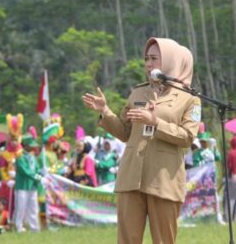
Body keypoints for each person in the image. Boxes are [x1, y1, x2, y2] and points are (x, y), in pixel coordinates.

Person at [83, 37, 200, 244]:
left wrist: (155, 122)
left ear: (171, 61)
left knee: (164, 240)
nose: (148, 64)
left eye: (155, 58)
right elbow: (125, 132)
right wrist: (105, 111)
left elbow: (187, 137)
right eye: (147, 58)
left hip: (163, 180)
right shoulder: (138, 92)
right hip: (131, 177)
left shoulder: (189, 99)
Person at [14, 134, 45, 233]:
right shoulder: (20, 156)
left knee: (34, 207)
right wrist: (36, 176)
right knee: (21, 207)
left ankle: (34, 227)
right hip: (22, 185)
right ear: (26, 145)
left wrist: (41, 173)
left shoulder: (32, 156)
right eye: (31, 145)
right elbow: (25, 171)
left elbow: (36, 168)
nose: (34, 147)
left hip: (33, 186)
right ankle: (18, 227)